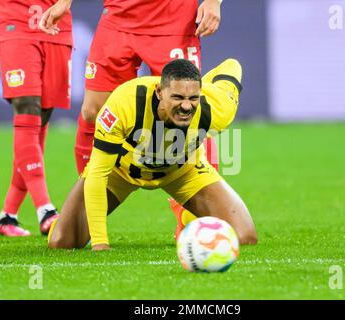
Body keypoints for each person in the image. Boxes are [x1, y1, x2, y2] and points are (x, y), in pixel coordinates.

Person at [39, 0, 223, 238]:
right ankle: (84, 209)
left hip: (174, 19)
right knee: (92, 112)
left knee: (186, 112)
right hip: (119, 17)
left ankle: (189, 218)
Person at [48, 58, 258, 251]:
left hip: (183, 172)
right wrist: (100, 243)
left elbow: (232, 65)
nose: (186, 106)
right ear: (159, 92)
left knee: (243, 236)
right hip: (121, 172)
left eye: (193, 97)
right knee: (61, 242)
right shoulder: (124, 102)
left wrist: (207, 83)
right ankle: (60, 222)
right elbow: (97, 174)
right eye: (177, 97)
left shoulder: (215, 109)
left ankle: (187, 217)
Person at [0, 0, 73, 236]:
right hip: (15, 21)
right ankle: (45, 210)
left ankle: (8, 215)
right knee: (27, 107)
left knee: (41, 118)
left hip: (57, 24)